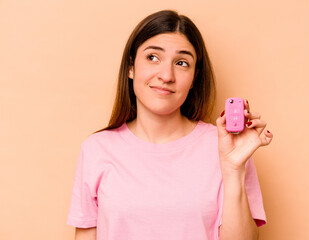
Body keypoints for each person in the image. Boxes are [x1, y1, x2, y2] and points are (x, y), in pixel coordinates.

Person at [67, 9, 273, 240]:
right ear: (131, 67)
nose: (167, 75)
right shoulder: (96, 149)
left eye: (182, 63)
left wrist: (233, 169)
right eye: (153, 57)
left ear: (194, 77)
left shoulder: (227, 147)